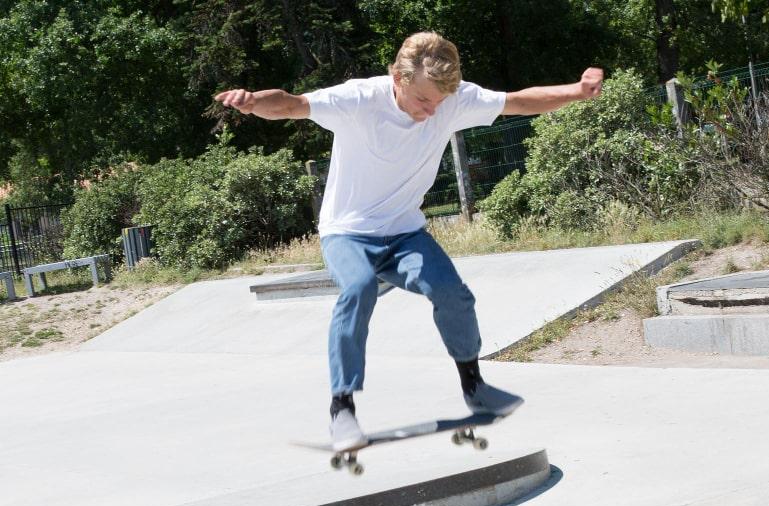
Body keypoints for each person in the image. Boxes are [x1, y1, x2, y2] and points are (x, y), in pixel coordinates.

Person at [216, 32, 603, 452]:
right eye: (423, 100)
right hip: (348, 231)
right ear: (396, 78)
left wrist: (578, 92)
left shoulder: (450, 101)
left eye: (437, 103)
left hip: (405, 233)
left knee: (452, 293)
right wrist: (254, 101)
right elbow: (292, 104)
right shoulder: (359, 100)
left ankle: (474, 385)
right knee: (359, 288)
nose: (430, 111)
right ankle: (341, 408)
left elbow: (519, 101)